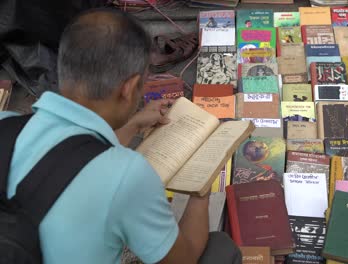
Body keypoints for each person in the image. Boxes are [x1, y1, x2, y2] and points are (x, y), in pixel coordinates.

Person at [0, 9, 240, 264]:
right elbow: (182, 258)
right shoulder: (128, 174)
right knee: (220, 249)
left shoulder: (6, 125)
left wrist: (133, 124)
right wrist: (200, 190)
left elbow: (67, 157)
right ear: (128, 88)